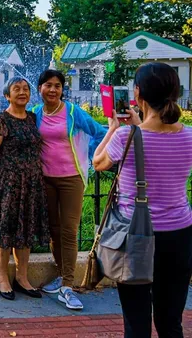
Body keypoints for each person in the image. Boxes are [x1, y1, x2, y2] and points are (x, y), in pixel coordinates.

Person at [0, 70, 106, 310]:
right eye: (47, 85)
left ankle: (68, 286)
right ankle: (54, 275)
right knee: (48, 230)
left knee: (69, 230)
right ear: (40, 89)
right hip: (41, 181)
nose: (53, 90)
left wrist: (95, 158)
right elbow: (5, 127)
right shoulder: (36, 115)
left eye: (58, 86)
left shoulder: (72, 112)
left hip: (70, 178)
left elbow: (99, 132)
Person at [93, 62, 192, 338]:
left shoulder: (126, 136)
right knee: (170, 321)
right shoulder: (189, 137)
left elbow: (98, 163)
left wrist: (113, 128)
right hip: (180, 235)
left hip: (136, 236)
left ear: (138, 94)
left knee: (136, 323)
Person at [0, 77, 51, 300]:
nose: (22, 92)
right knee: (6, 229)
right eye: (16, 89)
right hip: (8, 183)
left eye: (25, 89)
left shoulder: (32, 117)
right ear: (7, 96)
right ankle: (3, 278)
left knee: (25, 229)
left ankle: (22, 277)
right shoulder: (0, 121)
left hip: (31, 184)